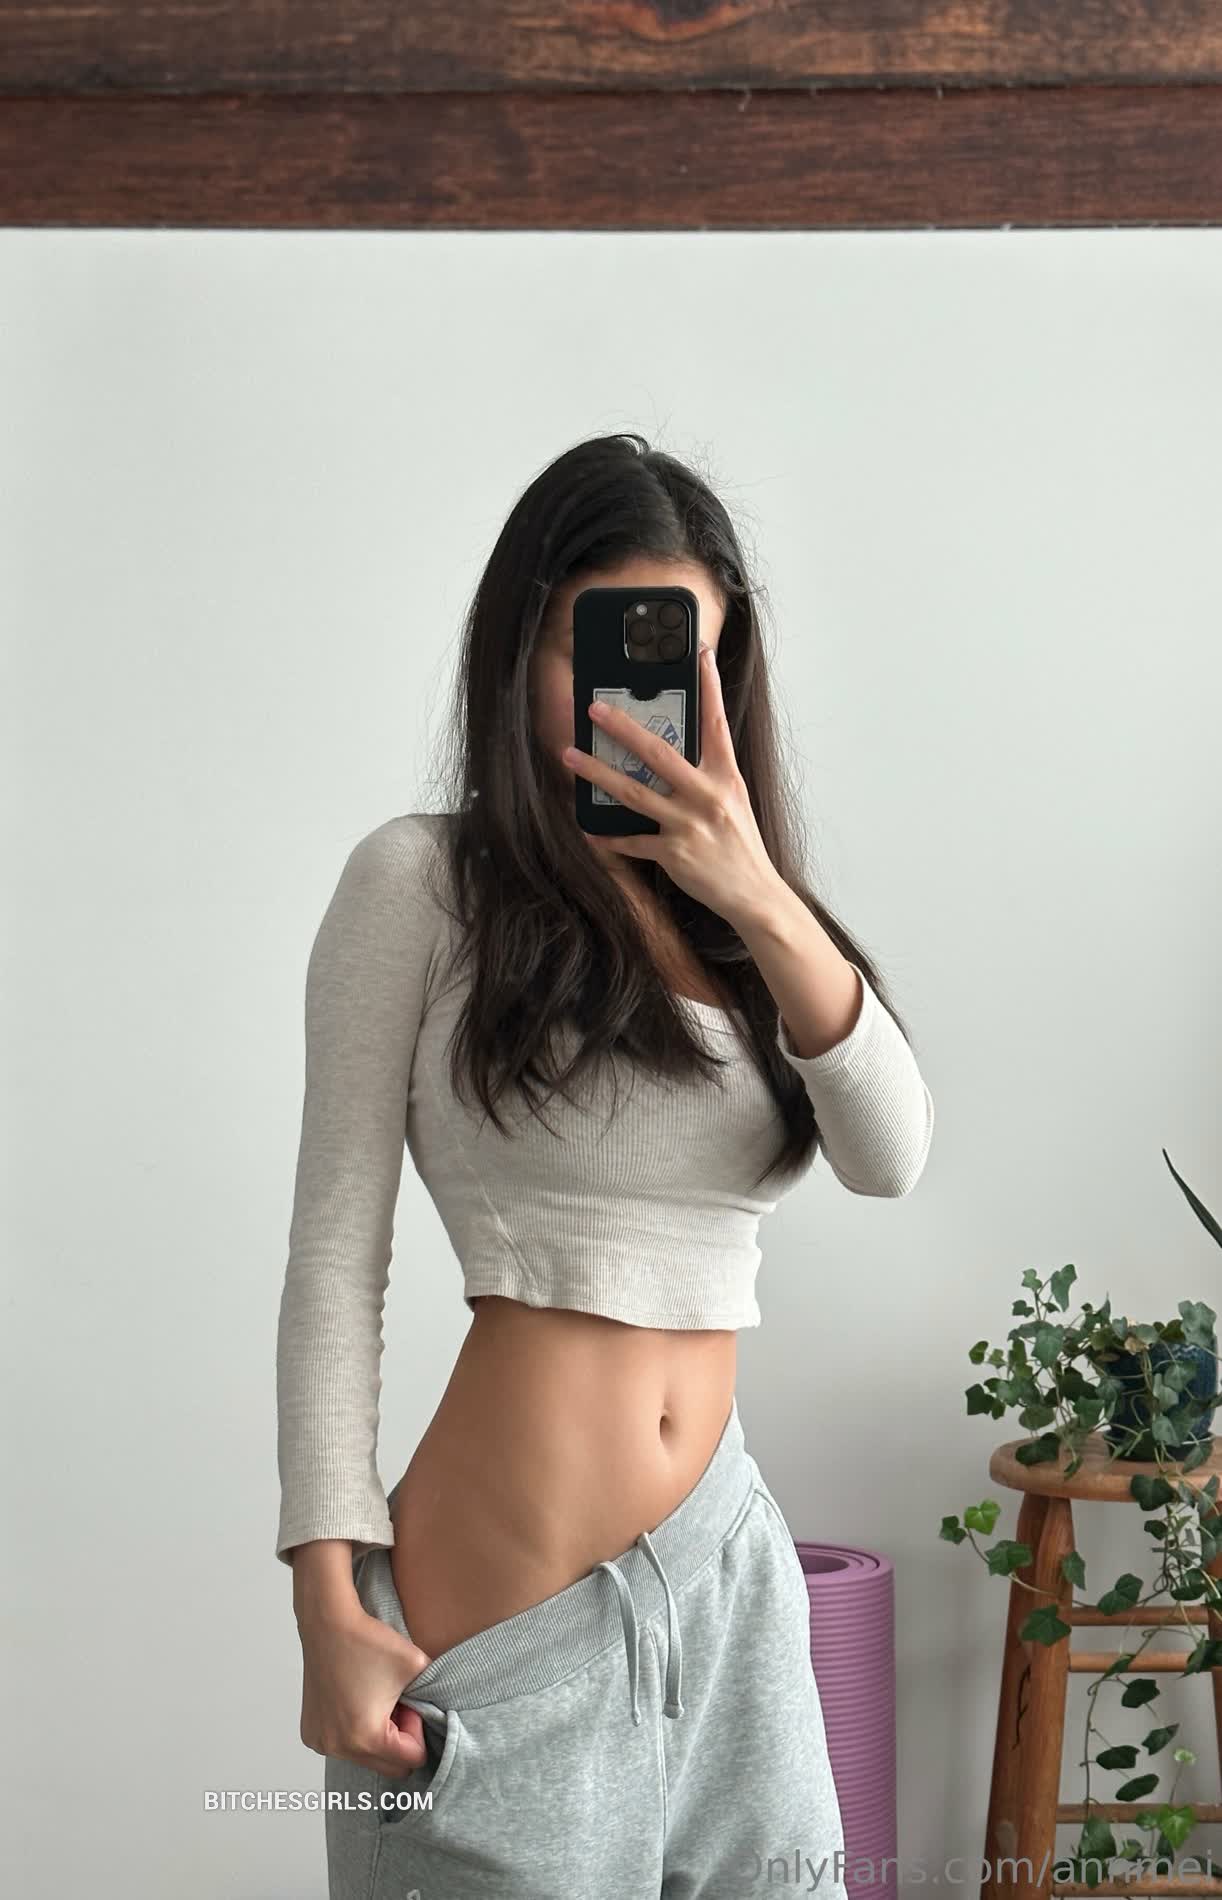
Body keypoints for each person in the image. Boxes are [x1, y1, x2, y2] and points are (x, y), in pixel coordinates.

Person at [275, 431, 935, 1899]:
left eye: (689, 662)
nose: (646, 704)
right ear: (522, 653)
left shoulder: (746, 927)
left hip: (729, 1585)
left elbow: (889, 1152)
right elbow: (333, 1253)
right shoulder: (422, 885)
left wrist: (755, 892)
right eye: (606, 649)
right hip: (509, 1617)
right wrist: (322, 1588)